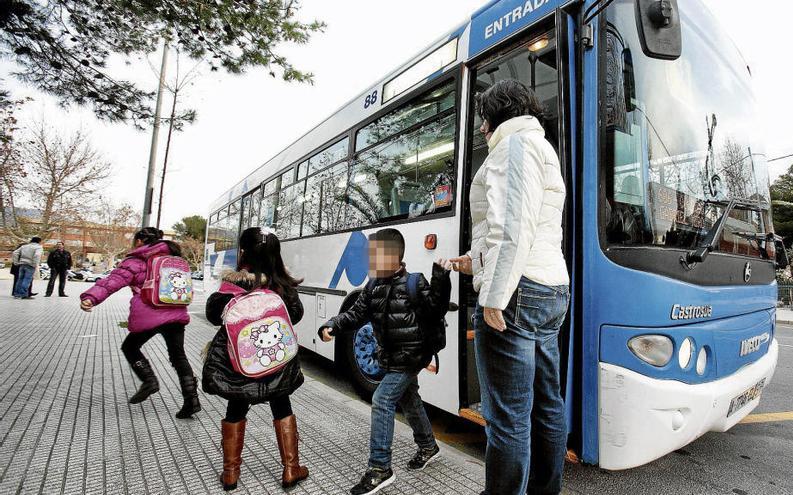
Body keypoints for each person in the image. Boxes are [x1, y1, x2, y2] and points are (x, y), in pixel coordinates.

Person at [450, 80, 570, 495]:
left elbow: (512, 227)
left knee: (509, 418)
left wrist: (493, 296)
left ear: (497, 114)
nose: (482, 127)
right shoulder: (539, 146)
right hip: (549, 289)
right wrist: (474, 260)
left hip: (518, 291)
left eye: (483, 116)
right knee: (547, 405)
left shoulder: (513, 146)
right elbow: (523, 228)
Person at [320, 228, 451, 495]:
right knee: (409, 398)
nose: (371, 262)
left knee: (382, 399)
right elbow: (356, 314)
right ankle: (428, 446)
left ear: (395, 257)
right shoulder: (372, 286)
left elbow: (436, 309)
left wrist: (441, 278)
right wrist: (333, 324)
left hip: (412, 356)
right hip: (390, 356)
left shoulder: (415, 282)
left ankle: (380, 468)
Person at [202, 227, 310, 491]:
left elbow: (214, 314)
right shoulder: (281, 286)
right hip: (276, 365)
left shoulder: (233, 285)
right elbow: (295, 314)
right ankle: (290, 468)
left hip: (240, 365)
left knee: (235, 408)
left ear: (243, 253)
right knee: (282, 405)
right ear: (276, 255)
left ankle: (230, 473)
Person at [80, 227, 201, 419]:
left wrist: (91, 298)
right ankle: (192, 401)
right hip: (176, 312)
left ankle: (149, 380)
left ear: (139, 241)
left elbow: (113, 281)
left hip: (150, 312)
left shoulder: (136, 261)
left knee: (130, 346)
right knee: (178, 356)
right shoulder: (176, 259)